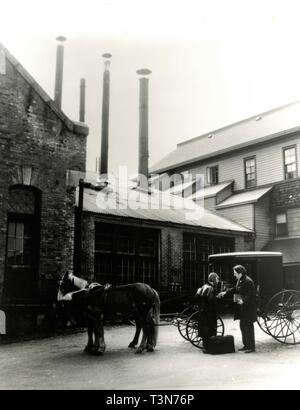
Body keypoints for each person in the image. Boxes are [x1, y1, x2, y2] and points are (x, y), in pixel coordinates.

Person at [219, 265, 257, 353]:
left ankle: (251, 347)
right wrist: (225, 292)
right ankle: (246, 345)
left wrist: (243, 301)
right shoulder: (240, 280)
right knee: (243, 326)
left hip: (248, 309)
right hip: (243, 309)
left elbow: (251, 295)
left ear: (240, 273)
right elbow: (235, 289)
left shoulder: (248, 281)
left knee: (248, 328)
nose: (234, 275)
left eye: (235, 273)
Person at [195, 272, 220, 353]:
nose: (218, 280)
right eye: (217, 279)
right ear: (213, 279)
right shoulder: (211, 288)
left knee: (205, 331)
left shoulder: (203, 287)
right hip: (209, 314)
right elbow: (211, 301)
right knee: (209, 330)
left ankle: (205, 346)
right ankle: (208, 347)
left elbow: (197, 298)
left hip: (202, 313)